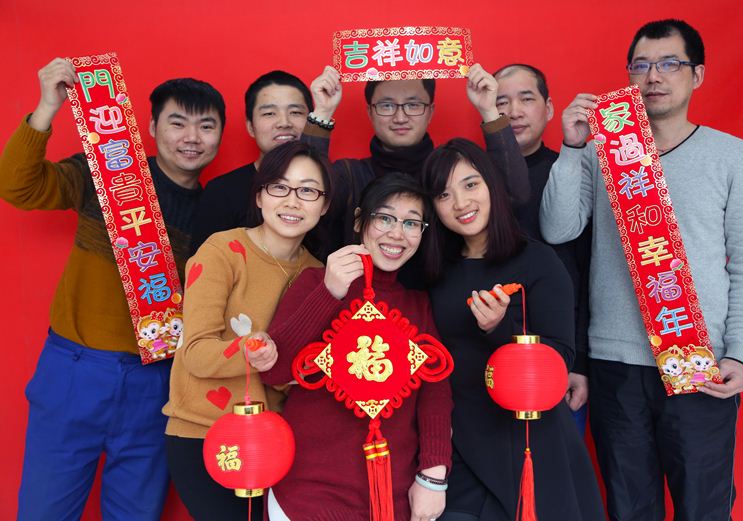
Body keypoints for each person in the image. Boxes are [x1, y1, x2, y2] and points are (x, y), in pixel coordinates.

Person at [540, 19, 743, 520]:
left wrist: (741, 352)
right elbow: (558, 229)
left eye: (670, 64)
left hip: (699, 360)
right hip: (615, 362)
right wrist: (573, 149)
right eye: (641, 66)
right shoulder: (604, 152)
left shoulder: (733, 156)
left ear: (697, 74)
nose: (654, 77)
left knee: (704, 508)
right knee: (629, 508)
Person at [0, 58, 225, 521]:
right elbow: (17, 187)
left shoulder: (216, 216)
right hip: (75, 369)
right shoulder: (108, 173)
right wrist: (46, 108)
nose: (191, 137)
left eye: (206, 126)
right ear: (152, 127)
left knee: (136, 513)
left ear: (220, 135)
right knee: (43, 511)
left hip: (158, 380)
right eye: (177, 122)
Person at [421, 138, 604, 521]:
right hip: (458, 439)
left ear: (491, 184)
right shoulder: (435, 268)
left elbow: (559, 361)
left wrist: (501, 330)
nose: (460, 203)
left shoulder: (537, 261)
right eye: (444, 194)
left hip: (527, 440)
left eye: (470, 184)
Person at [258, 173, 453, 521]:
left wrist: (433, 476)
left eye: (412, 223)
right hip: (305, 494)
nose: (397, 233)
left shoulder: (418, 305)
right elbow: (274, 370)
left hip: (389, 498)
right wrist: (329, 292)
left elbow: (434, 394)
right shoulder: (316, 282)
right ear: (360, 221)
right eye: (385, 218)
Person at [162, 141, 332, 520]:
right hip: (205, 434)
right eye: (280, 187)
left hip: (277, 443)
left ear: (324, 205)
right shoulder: (222, 251)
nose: (292, 201)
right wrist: (251, 352)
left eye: (308, 191)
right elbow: (195, 353)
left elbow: (297, 374)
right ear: (259, 196)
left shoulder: (319, 276)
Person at [302, 64, 529, 257]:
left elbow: (514, 196)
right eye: (387, 105)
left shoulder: (450, 172)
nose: (400, 117)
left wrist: (489, 111)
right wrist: (322, 112)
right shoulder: (349, 175)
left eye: (413, 105)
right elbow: (304, 200)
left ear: (430, 111)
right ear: (370, 112)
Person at [495, 63, 592, 432]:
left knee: (556, 461)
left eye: (526, 99)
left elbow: (588, 270)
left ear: (549, 109)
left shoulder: (571, 172)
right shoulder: (472, 180)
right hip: (489, 348)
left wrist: (579, 362)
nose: (514, 111)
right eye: (501, 102)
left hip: (559, 352)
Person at [190, 70, 314, 253]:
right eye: (269, 113)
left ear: (311, 121)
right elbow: (201, 264)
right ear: (250, 127)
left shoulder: (326, 187)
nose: (284, 122)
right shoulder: (221, 192)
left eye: (295, 112)